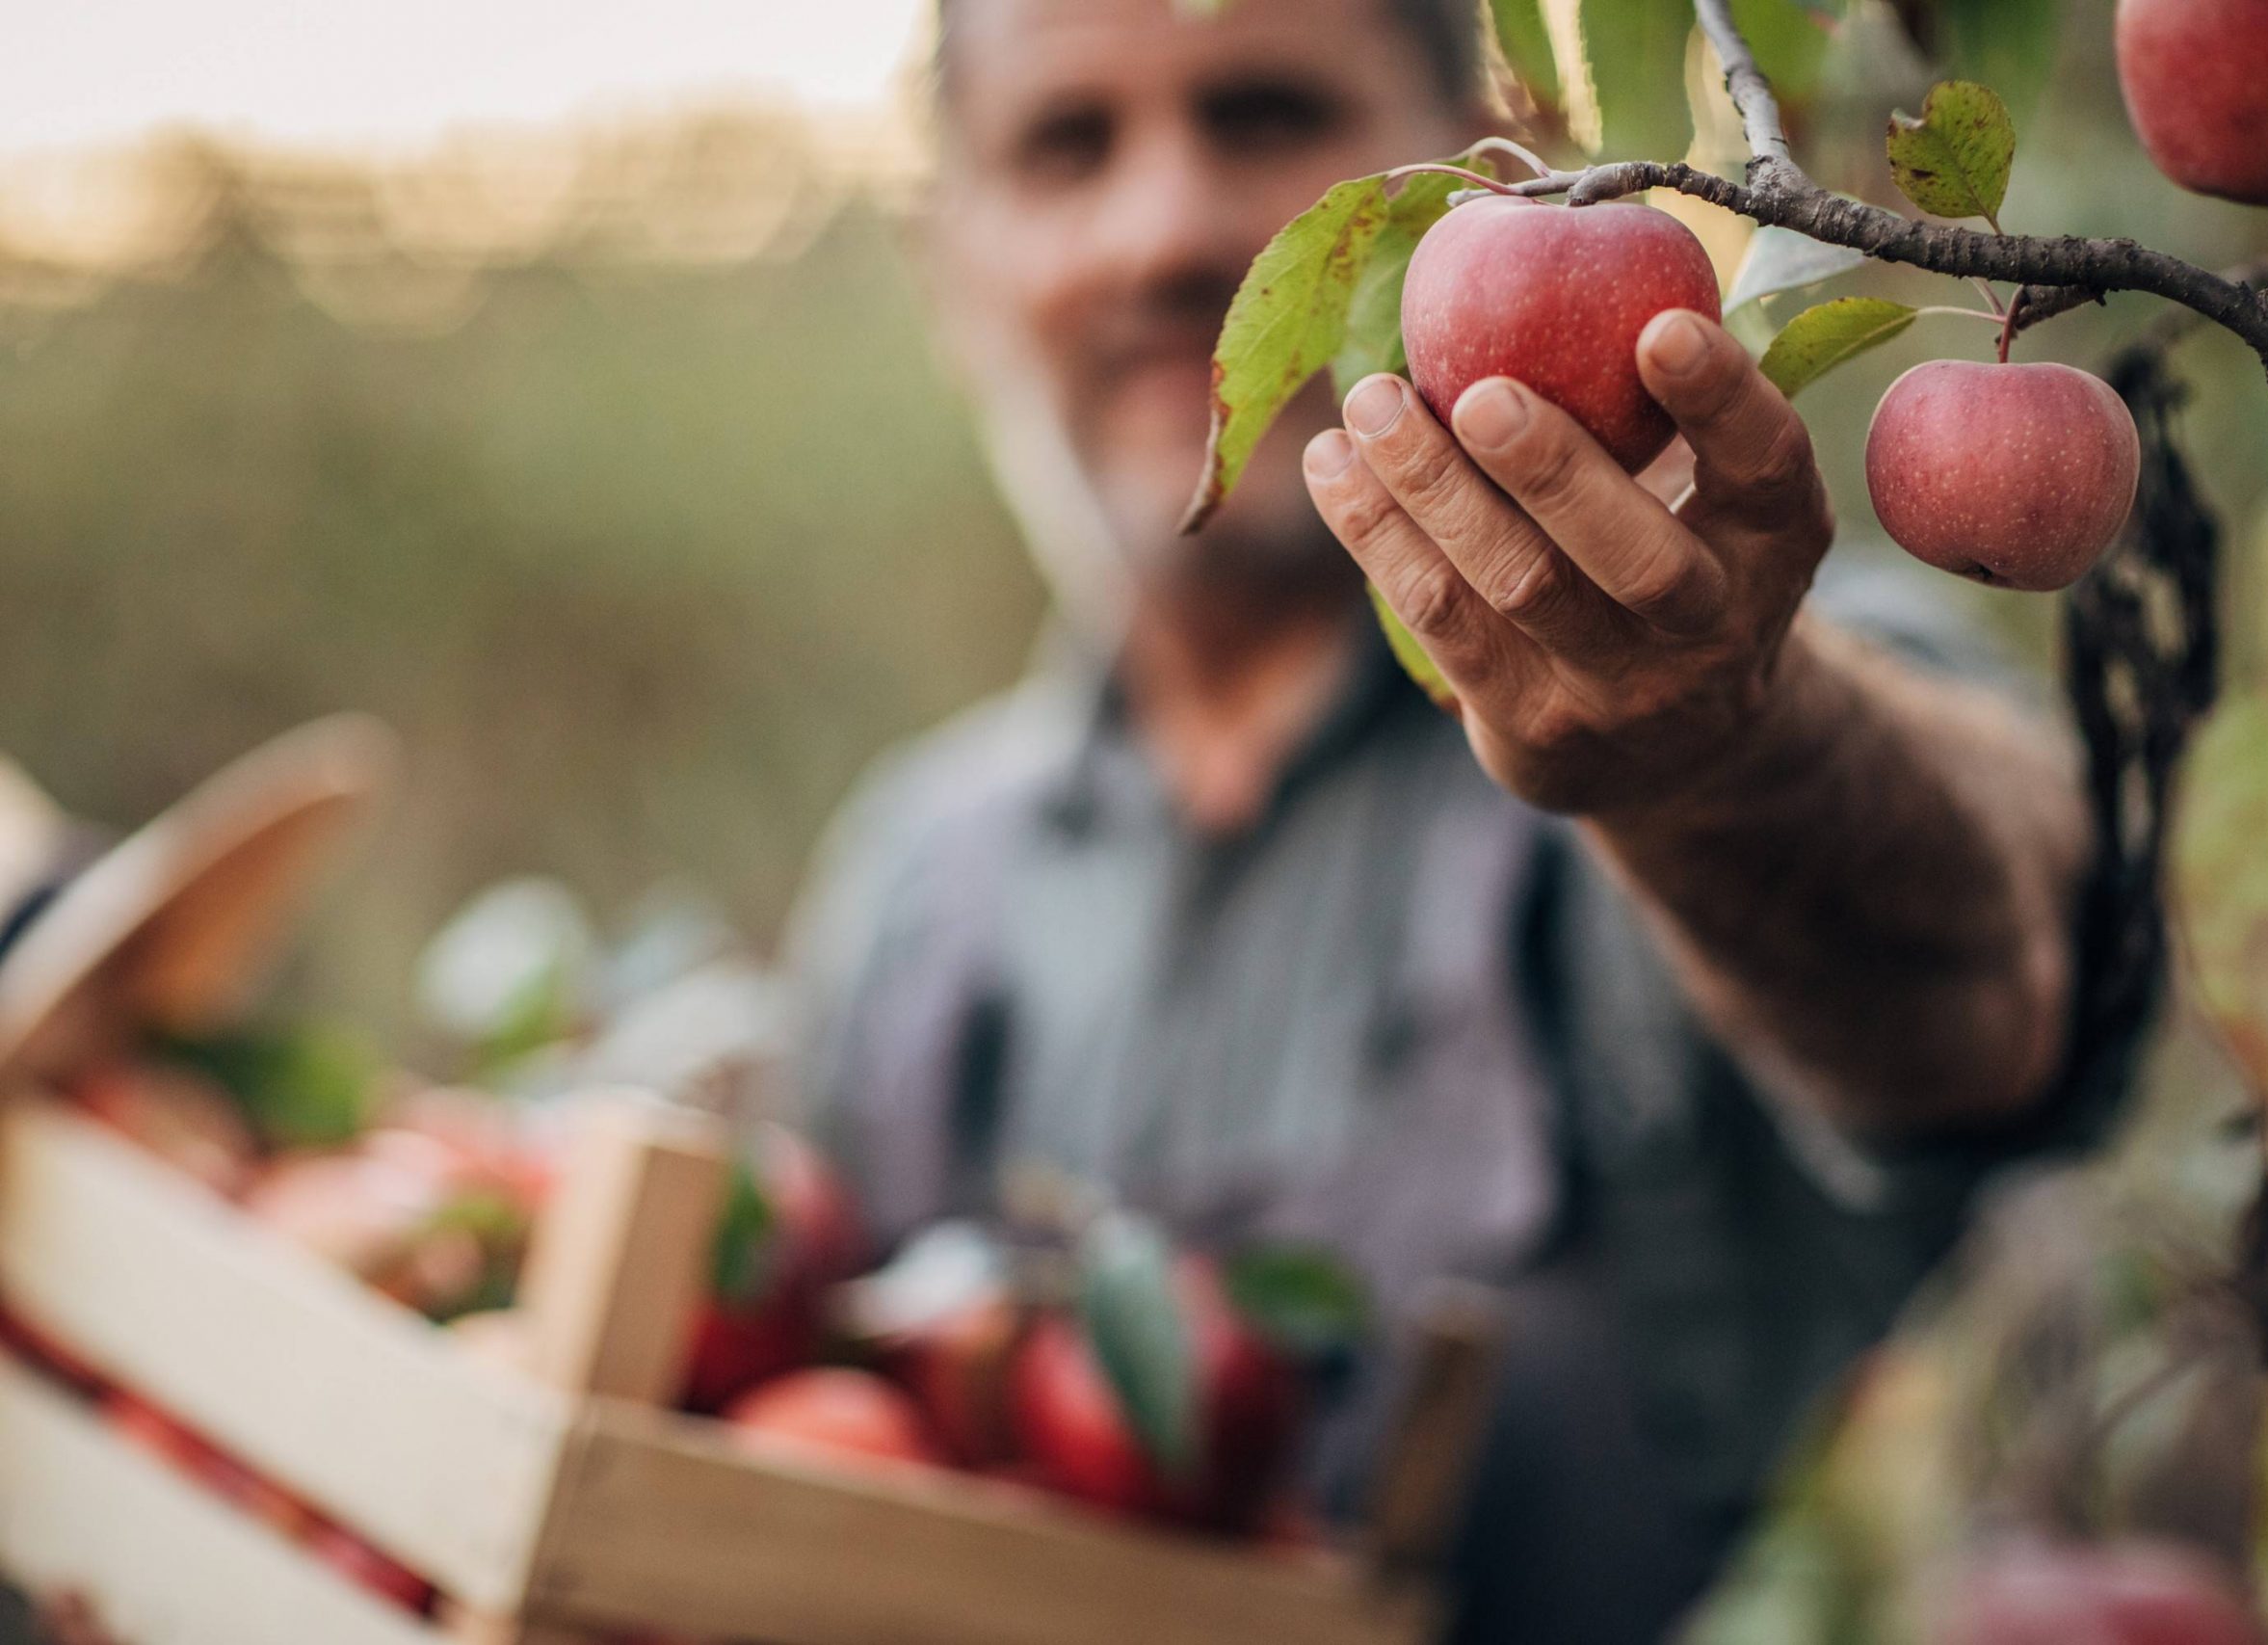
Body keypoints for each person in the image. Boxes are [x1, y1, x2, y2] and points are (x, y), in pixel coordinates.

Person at [778, 0, 2097, 1636]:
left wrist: (1724, 757)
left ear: (1508, 169)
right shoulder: (915, 878)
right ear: (946, 266)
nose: (1168, 228)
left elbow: (1989, 979)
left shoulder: (1729, 650)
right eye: (1067, 146)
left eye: (1264, 117)